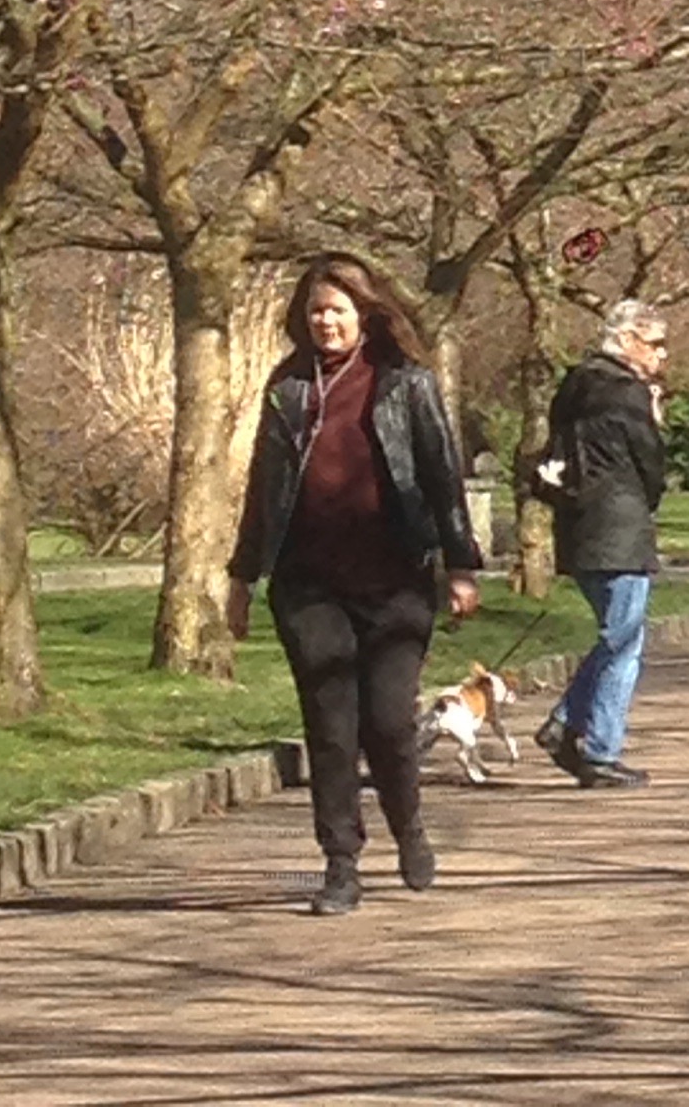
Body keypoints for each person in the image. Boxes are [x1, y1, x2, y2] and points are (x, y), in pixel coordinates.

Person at [227, 254, 482, 915]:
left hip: (394, 583)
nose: (326, 322)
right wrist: (241, 577)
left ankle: (409, 825)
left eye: (338, 310)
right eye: (316, 311)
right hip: (309, 585)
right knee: (331, 727)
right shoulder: (289, 387)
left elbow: (442, 476)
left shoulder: (406, 383)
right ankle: (341, 862)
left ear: (365, 315)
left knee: (390, 723)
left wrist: (460, 565)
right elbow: (263, 488)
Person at [534, 298, 670, 789]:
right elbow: (650, 465)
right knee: (624, 643)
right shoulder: (627, 394)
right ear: (628, 340)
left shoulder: (574, 386)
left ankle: (565, 724)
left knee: (616, 635)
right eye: (655, 343)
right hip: (619, 529)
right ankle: (599, 750)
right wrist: (654, 421)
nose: (662, 354)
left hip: (577, 527)